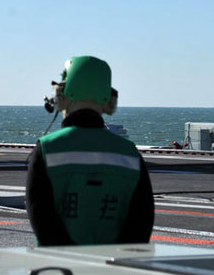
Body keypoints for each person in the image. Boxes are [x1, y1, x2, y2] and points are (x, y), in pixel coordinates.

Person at [26, 56, 154, 246]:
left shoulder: (46, 150)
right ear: (109, 100)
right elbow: (141, 223)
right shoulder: (129, 154)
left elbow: (42, 219)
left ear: (62, 95)